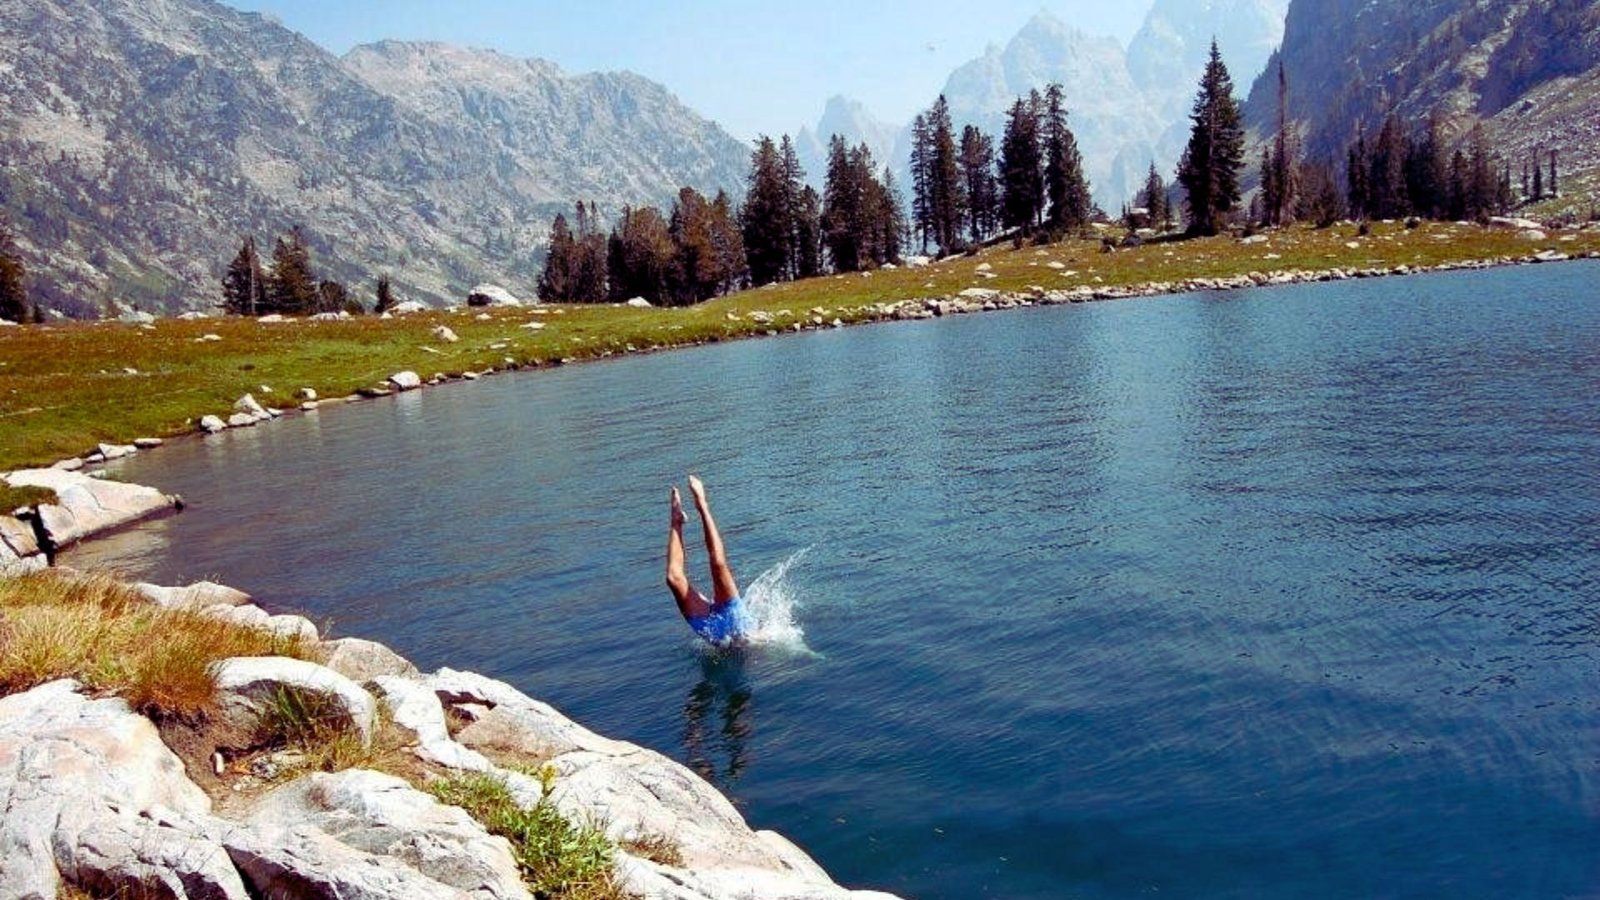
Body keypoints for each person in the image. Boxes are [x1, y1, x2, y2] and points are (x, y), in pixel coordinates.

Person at [666, 475, 748, 647]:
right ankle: (701, 505)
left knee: (673, 578)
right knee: (718, 563)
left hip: (709, 629)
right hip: (734, 618)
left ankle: (676, 521)